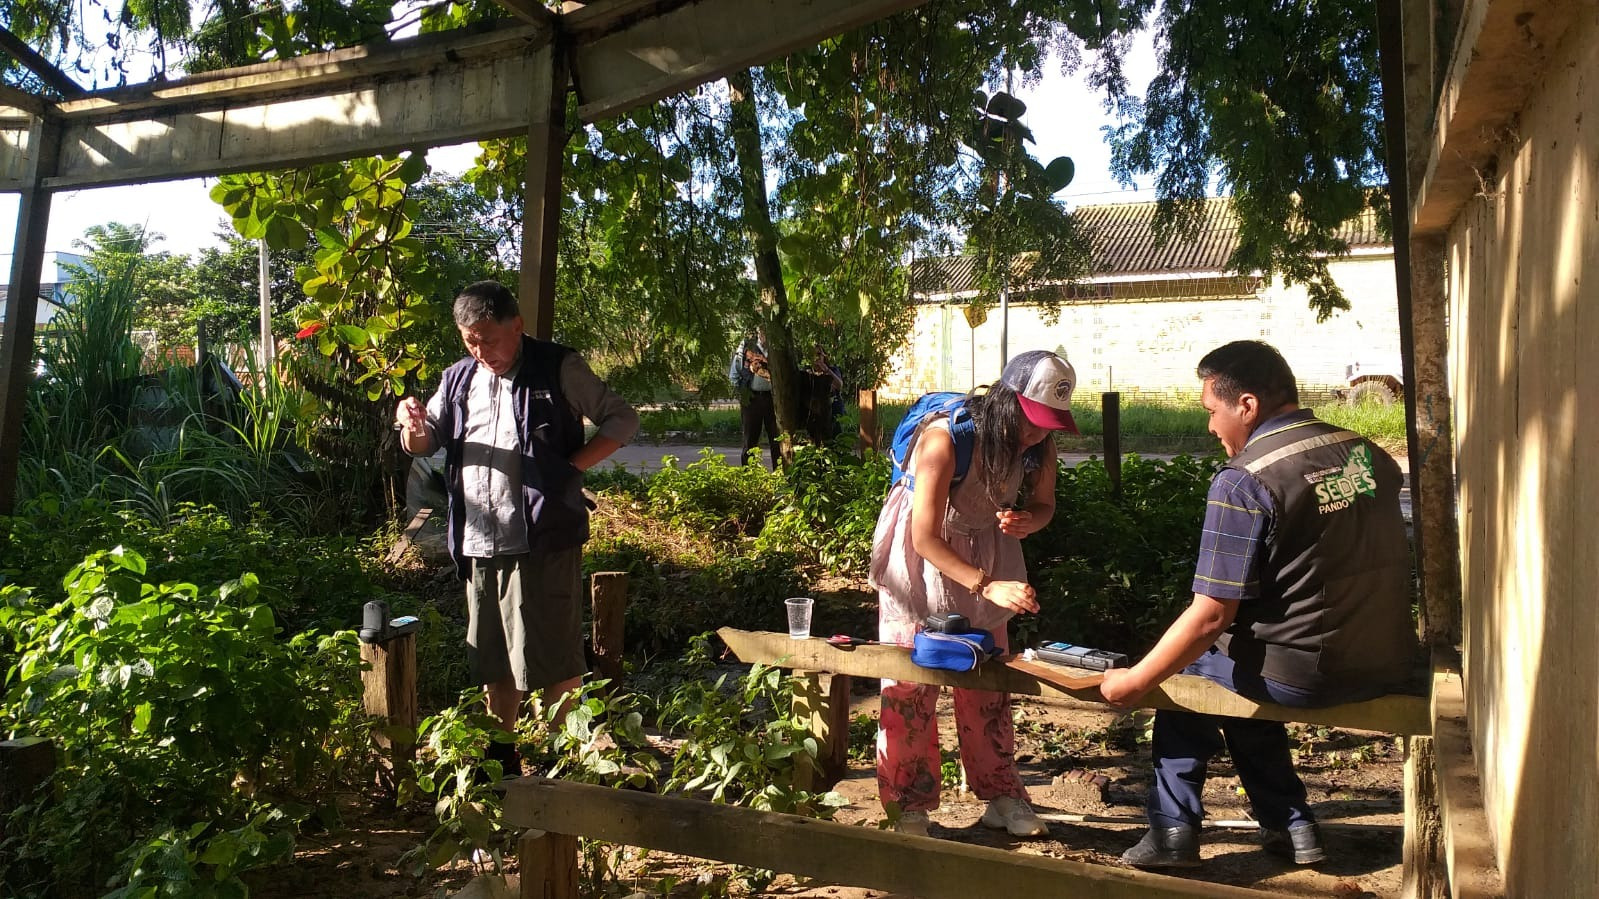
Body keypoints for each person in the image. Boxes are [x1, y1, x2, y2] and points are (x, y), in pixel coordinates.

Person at [1099, 340, 1416, 868]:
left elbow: (1210, 615)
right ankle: (1291, 826)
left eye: (1211, 413)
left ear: (1246, 406)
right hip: (1388, 658)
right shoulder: (1367, 453)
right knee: (1235, 667)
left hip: (1309, 674)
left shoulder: (1244, 480)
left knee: (1188, 674)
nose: (1210, 429)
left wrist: (1134, 682)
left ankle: (1173, 831)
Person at [396, 281, 638, 772]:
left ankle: (561, 756)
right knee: (492, 654)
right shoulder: (459, 378)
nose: (482, 350)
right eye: (470, 340)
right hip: (479, 541)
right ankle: (502, 756)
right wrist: (414, 428)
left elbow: (622, 420)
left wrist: (572, 468)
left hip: (544, 538)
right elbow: (428, 441)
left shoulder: (558, 366)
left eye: (489, 337)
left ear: (517, 326)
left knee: (554, 653)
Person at [869, 350, 1080, 838]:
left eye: (1049, 424)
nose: (1037, 434)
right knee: (910, 680)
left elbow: (1045, 504)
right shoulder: (944, 440)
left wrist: (1029, 520)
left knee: (989, 678)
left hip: (988, 547)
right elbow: (924, 538)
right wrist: (988, 584)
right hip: (922, 558)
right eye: (1030, 421)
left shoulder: (1038, 445)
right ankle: (910, 805)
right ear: (1006, 400)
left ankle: (1001, 794)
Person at [729, 333, 778, 467]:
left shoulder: (777, 346)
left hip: (772, 399)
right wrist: (740, 393)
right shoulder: (746, 347)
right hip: (752, 398)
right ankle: (748, 475)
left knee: (776, 439)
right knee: (750, 439)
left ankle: (780, 474)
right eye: (761, 329)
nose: (764, 333)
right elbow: (734, 372)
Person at [800, 344, 844, 445]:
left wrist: (826, 370)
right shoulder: (807, 372)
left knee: (834, 438)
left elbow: (839, 385)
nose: (817, 358)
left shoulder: (832, 370)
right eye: (814, 355)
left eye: (819, 354)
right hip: (813, 412)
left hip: (833, 410)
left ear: (824, 356)